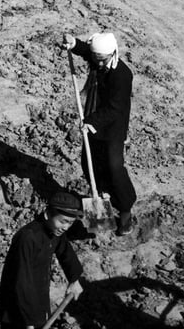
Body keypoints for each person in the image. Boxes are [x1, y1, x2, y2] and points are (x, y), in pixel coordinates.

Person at [62, 31, 137, 235]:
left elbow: (115, 108)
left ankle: (125, 213)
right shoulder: (98, 58)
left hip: (112, 128)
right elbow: (88, 52)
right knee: (89, 163)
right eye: (97, 60)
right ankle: (101, 196)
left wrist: (91, 121)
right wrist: (74, 43)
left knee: (114, 168)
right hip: (94, 123)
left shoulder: (122, 75)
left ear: (112, 54)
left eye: (102, 60)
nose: (99, 64)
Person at [0, 190, 85, 329]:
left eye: (71, 223)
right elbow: (21, 281)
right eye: (63, 221)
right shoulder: (27, 237)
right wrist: (28, 322)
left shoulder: (55, 231)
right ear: (48, 214)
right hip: (16, 307)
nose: (66, 227)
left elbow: (66, 252)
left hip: (37, 299)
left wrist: (74, 279)